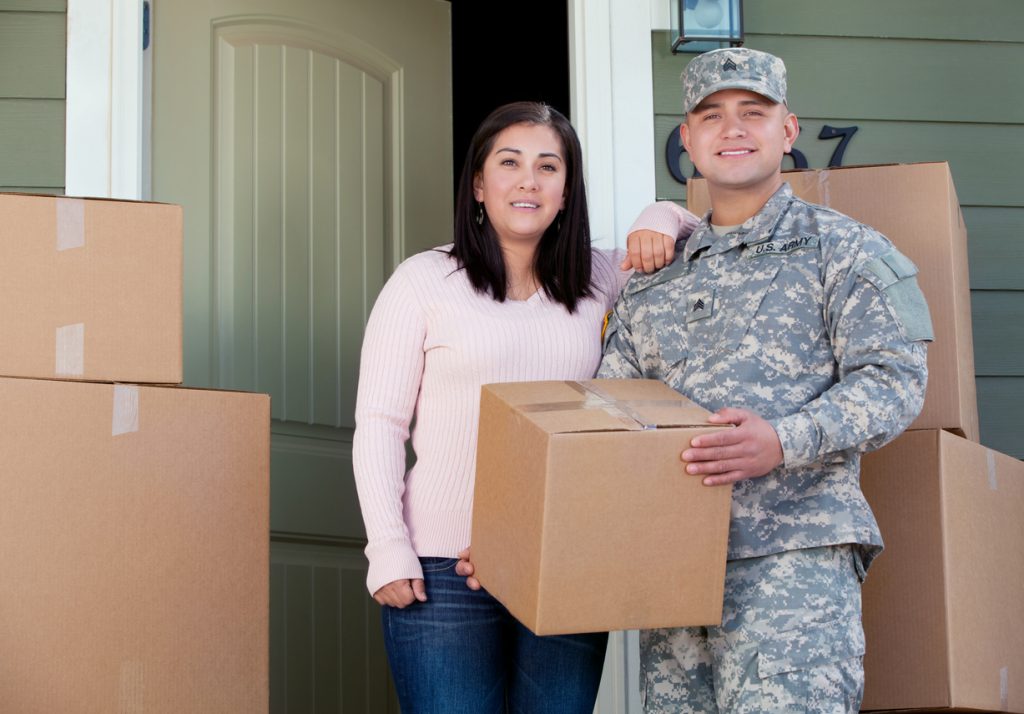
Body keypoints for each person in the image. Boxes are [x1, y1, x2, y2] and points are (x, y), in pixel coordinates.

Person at [596, 48, 933, 712]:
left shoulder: (846, 250)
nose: (734, 129)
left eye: (754, 111)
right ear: (687, 139)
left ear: (789, 130)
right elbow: (610, 412)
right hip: (671, 572)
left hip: (794, 563)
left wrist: (785, 439)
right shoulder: (652, 281)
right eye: (712, 115)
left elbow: (895, 379)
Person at [352, 101, 697, 713]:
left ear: (567, 191)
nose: (529, 181)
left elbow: (704, 239)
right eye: (509, 163)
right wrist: (387, 546)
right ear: (480, 185)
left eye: (548, 167)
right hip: (440, 568)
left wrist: (660, 214)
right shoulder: (425, 280)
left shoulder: (601, 279)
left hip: (564, 559)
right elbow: (380, 424)